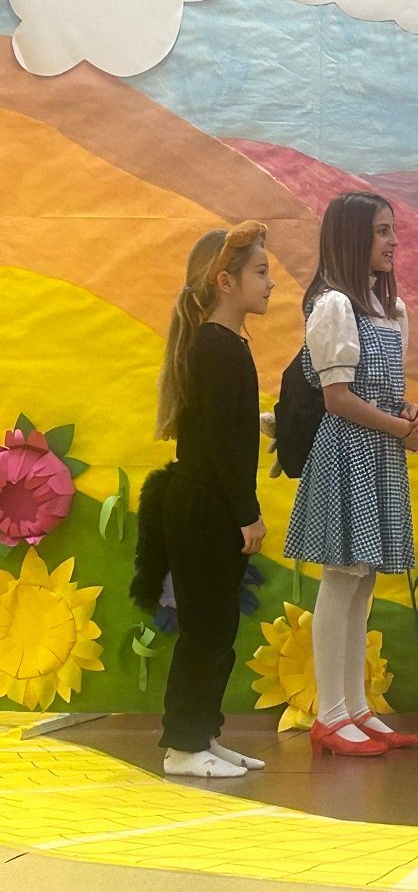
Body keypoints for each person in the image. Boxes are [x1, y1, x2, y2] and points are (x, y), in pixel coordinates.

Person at [284, 192, 418, 757]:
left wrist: (411, 413)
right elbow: (338, 398)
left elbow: (381, 390)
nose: (392, 241)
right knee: (342, 577)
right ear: (352, 237)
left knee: (363, 580)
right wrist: (402, 430)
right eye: (381, 231)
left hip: (378, 451)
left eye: (392, 230)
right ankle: (330, 714)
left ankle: (355, 707)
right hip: (348, 451)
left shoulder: (388, 310)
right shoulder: (334, 306)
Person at [133, 221, 274, 778]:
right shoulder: (216, 346)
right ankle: (183, 746)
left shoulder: (225, 344)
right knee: (204, 630)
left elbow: (224, 427)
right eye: (260, 272)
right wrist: (247, 513)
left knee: (219, 628)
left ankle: (202, 734)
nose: (270, 283)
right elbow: (217, 443)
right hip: (203, 505)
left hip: (207, 502)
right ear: (225, 281)